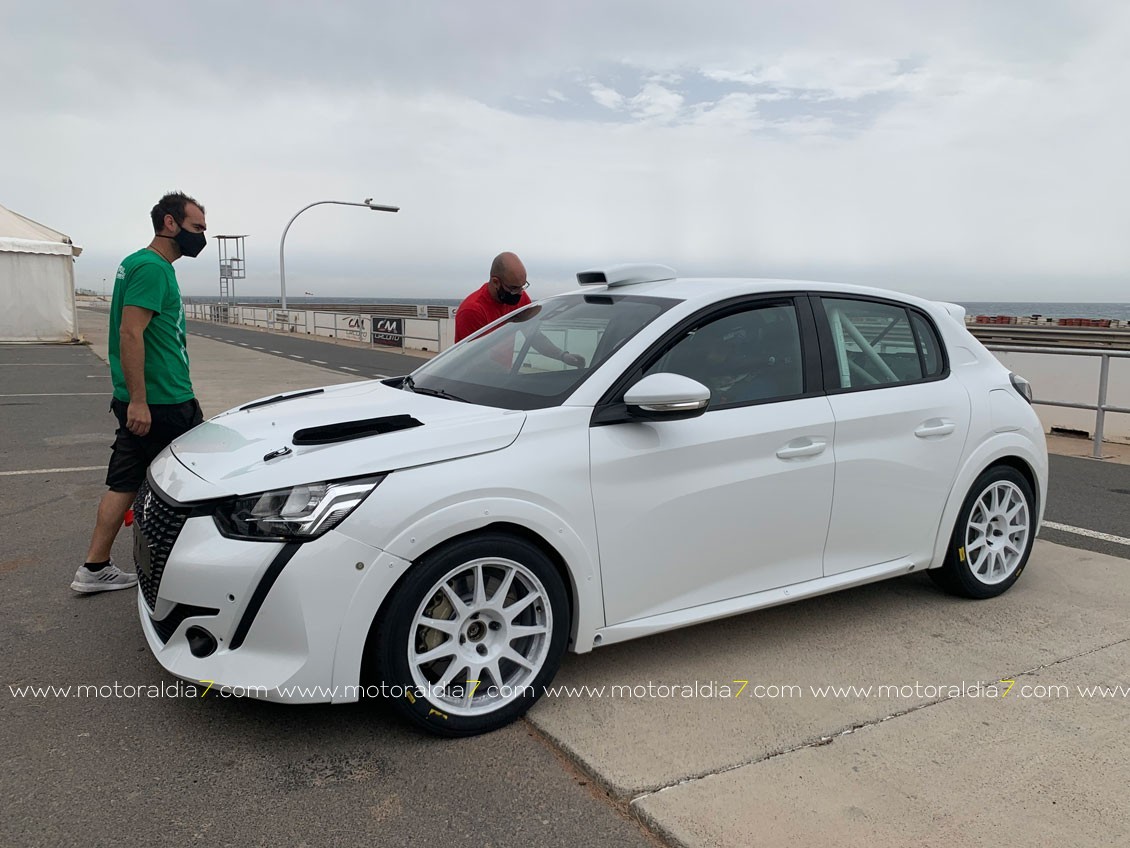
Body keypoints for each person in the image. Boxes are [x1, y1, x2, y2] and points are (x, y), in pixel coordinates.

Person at [71, 191, 208, 593]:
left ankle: (94, 568)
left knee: (125, 480)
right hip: (164, 400)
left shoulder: (137, 263)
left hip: (154, 398)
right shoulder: (152, 267)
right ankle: (186, 573)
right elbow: (130, 332)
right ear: (170, 223)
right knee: (195, 483)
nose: (201, 237)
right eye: (197, 227)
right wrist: (140, 401)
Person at [454, 251, 585, 367]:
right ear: (495, 282)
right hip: (474, 382)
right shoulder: (472, 310)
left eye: (523, 286)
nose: (520, 293)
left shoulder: (518, 297)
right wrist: (509, 380)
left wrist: (562, 355)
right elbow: (473, 361)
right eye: (514, 288)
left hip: (501, 378)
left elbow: (534, 337)